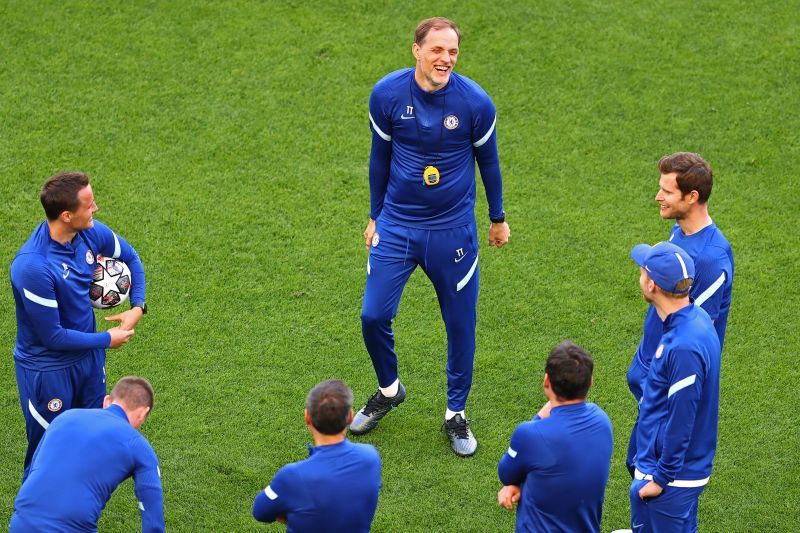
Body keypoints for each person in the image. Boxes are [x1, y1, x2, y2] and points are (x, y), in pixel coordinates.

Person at [352, 16, 511, 457]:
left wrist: (497, 218)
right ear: (416, 50)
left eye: (453, 52)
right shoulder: (386, 94)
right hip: (398, 225)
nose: (446, 59)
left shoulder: (476, 103)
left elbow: (490, 165)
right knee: (372, 315)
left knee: (460, 325)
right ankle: (389, 389)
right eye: (437, 50)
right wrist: (375, 215)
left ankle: (455, 414)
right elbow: (378, 159)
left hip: (452, 231)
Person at [10, 171, 148, 478]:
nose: (96, 209)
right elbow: (53, 337)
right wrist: (105, 339)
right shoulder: (33, 266)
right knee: (46, 454)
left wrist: (137, 306)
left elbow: (132, 257)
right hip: (48, 371)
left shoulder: (88, 233)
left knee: (89, 442)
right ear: (67, 215)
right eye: (89, 205)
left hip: (87, 361)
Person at [626, 152, 733, 475]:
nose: (658, 197)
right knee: (638, 464)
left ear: (692, 197)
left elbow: (697, 335)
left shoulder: (711, 259)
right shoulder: (681, 232)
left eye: (667, 192)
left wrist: (658, 381)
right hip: (651, 373)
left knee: (655, 473)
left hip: (667, 383)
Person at [628, 242, 721, 531]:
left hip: (671, 478)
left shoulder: (683, 348)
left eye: (642, 271)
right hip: (678, 471)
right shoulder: (697, 319)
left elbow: (682, 417)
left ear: (652, 284)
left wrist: (658, 479)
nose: (639, 276)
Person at [10, 376, 164, 532]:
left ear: (107, 401)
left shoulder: (64, 418)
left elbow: (32, 471)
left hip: (21, 522)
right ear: (142, 412)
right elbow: (153, 524)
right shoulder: (139, 446)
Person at [497, 341, 613, 532]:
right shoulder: (602, 420)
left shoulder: (529, 434)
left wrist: (518, 485)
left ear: (546, 381)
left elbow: (506, 474)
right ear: (590, 382)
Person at [253, 380, 382, 531]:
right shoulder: (370, 457)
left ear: (307, 417)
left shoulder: (292, 476)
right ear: (350, 417)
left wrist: (292, 513)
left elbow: (260, 511)